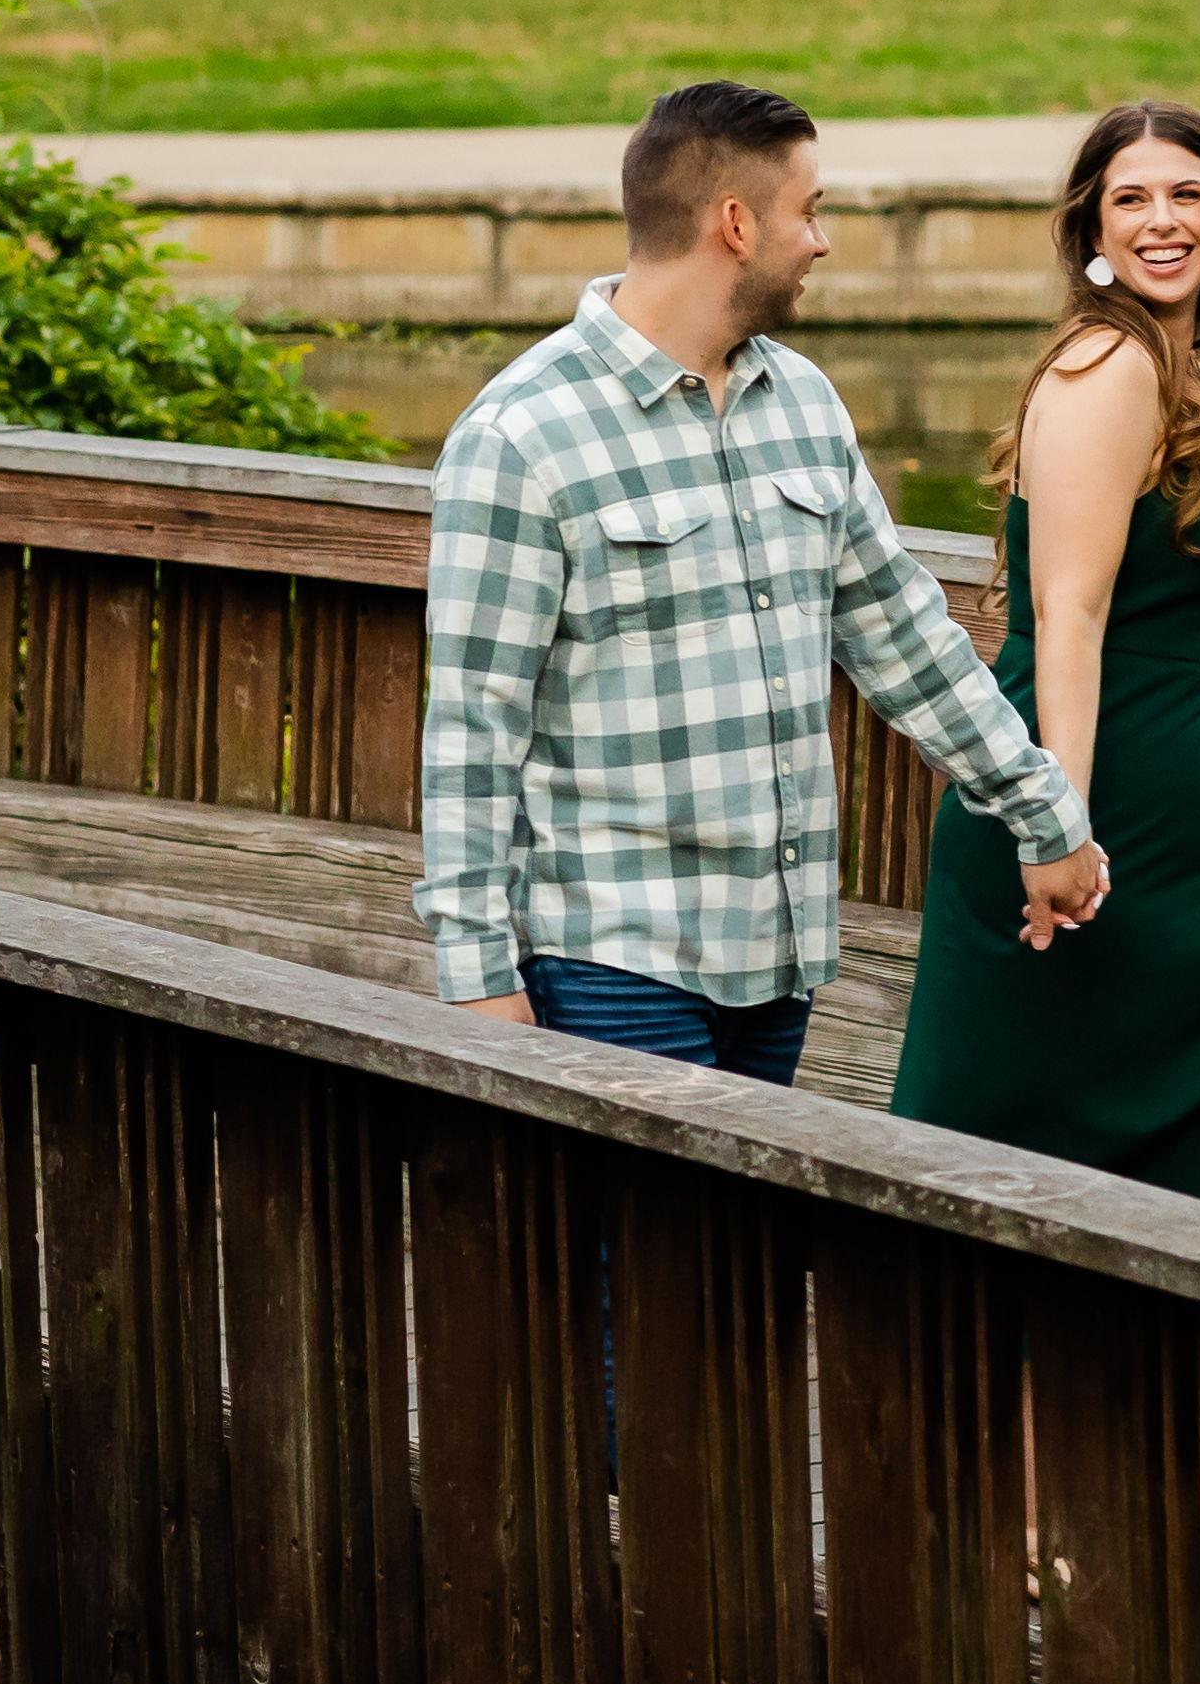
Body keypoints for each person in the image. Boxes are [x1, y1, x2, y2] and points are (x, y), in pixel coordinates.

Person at [419, 76, 1111, 1079]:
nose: (822, 241)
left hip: (780, 960)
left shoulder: (803, 403)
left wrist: (1043, 814)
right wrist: (477, 971)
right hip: (609, 962)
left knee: (753, 1198)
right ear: (736, 225)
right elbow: (472, 730)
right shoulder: (520, 435)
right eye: (810, 211)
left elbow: (905, 638)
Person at [890, 100, 1200, 1229]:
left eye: (1187, 194)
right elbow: (1070, 611)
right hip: (1107, 836)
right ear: (1092, 229)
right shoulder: (1109, 365)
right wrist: (1060, 825)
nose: (1162, 221)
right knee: (1046, 1193)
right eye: (1131, 198)